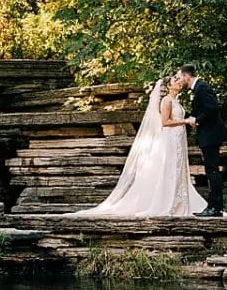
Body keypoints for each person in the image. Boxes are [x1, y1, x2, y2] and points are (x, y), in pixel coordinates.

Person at [67, 73, 196, 217]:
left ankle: (179, 202)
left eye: (178, 79)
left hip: (177, 139)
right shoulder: (166, 101)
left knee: (177, 168)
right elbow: (165, 122)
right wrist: (185, 121)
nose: (179, 82)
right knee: (171, 169)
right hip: (170, 139)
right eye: (175, 80)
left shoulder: (175, 101)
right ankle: (168, 203)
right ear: (168, 86)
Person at [179, 65, 227, 216]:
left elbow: (212, 108)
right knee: (211, 170)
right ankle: (214, 206)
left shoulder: (202, 88)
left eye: (180, 76)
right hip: (208, 135)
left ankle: (215, 208)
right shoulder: (197, 89)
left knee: (212, 170)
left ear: (187, 76)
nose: (180, 80)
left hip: (211, 135)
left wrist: (196, 119)